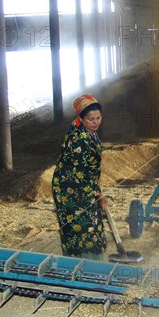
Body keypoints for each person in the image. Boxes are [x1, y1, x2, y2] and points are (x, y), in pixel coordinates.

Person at [52, 94, 108, 260]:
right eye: (91, 119)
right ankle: (82, 265)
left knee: (90, 224)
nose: (96, 122)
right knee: (82, 226)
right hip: (69, 189)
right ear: (81, 118)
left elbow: (90, 170)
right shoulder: (80, 139)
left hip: (82, 185)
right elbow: (79, 172)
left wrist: (96, 191)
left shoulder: (89, 132)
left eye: (98, 117)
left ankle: (88, 263)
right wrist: (96, 194)